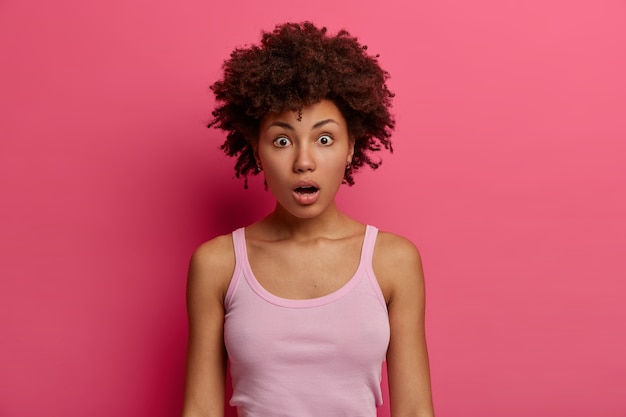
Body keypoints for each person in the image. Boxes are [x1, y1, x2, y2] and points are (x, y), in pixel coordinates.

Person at [182, 22, 434, 417]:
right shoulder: (217, 264)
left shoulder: (393, 261)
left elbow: (416, 410)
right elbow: (199, 410)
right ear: (257, 150)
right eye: (282, 141)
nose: (303, 161)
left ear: (351, 147)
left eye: (324, 139)